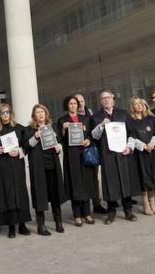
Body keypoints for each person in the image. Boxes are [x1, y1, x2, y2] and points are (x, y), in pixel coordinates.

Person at [89, 90, 139, 223]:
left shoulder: (123, 114)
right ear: (100, 101)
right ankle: (111, 212)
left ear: (113, 100)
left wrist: (129, 147)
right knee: (110, 182)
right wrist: (100, 125)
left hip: (123, 153)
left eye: (108, 97)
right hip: (107, 154)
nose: (106, 100)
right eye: (103, 98)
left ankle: (128, 211)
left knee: (125, 181)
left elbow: (132, 133)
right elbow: (94, 136)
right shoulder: (95, 117)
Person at [23, 104, 66, 234]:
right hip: (38, 166)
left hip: (52, 164)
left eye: (42, 112)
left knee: (55, 194)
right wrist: (35, 137)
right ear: (34, 115)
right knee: (39, 194)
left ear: (46, 114)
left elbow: (59, 142)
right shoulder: (29, 130)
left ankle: (58, 222)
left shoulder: (52, 128)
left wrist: (59, 147)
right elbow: (25, 147)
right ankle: (40, 225)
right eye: (38, 112)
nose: (41, 114)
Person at [0, 103, 33, 237]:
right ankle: (11, 226)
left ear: (11, 113)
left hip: (17, 165)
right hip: (3, 167)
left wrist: (19, 151)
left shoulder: (20, 128)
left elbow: (26, 146)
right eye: (2, 113)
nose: (5, 115)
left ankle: (22, 224)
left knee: (20, 192)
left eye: (7, 112)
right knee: (7, 194)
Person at [57, 95, 94, 226]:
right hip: (71, 156)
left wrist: (88, 139)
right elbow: (59, 140)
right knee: (75, 183)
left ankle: (87, 213)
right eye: (70, 104)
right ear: (67, 106)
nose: (73, 106)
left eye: (75, 103)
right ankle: (77, 215)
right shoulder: (62, 120)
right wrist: (63, 129)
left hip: (84, 154)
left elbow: (92, 135)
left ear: (78, 105)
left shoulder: (86, 119)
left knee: (86, 183)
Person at [127, 97, 155, 215]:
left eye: (140, 103)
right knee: (143, 177)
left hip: (152, 152)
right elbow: (130, 136)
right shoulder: (130, 121)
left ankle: (152, 203)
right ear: (132, 107)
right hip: (140, 154)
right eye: (135, 104)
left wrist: (152, 143)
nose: (138, 105)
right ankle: (146, 204)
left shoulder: (152, 119)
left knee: (152, 176)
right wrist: (143, 146)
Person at [75, 93, 105, 216]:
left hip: (91, 150)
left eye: (82, 101)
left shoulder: (91, 115)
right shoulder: (72, 117)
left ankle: (96, 203)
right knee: (81, 178)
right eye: (77, 101)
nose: (80, 103)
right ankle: (82, 204)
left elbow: (95, 133)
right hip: (77, 152)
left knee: (94, 178)